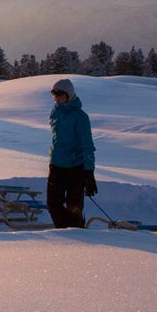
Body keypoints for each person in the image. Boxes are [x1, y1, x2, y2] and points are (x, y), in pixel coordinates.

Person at [47, 79, 97, 228]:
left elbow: (87, 145)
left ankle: (77, 234)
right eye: (54, 95)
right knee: (53, 204)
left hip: (76, 167)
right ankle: (64, 233)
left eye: (60, 94)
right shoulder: (55, 111)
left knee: (73, 208)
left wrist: (89, 171)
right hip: (56, 165)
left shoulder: (80, 117)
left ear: (69, 95)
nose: (57, 98)